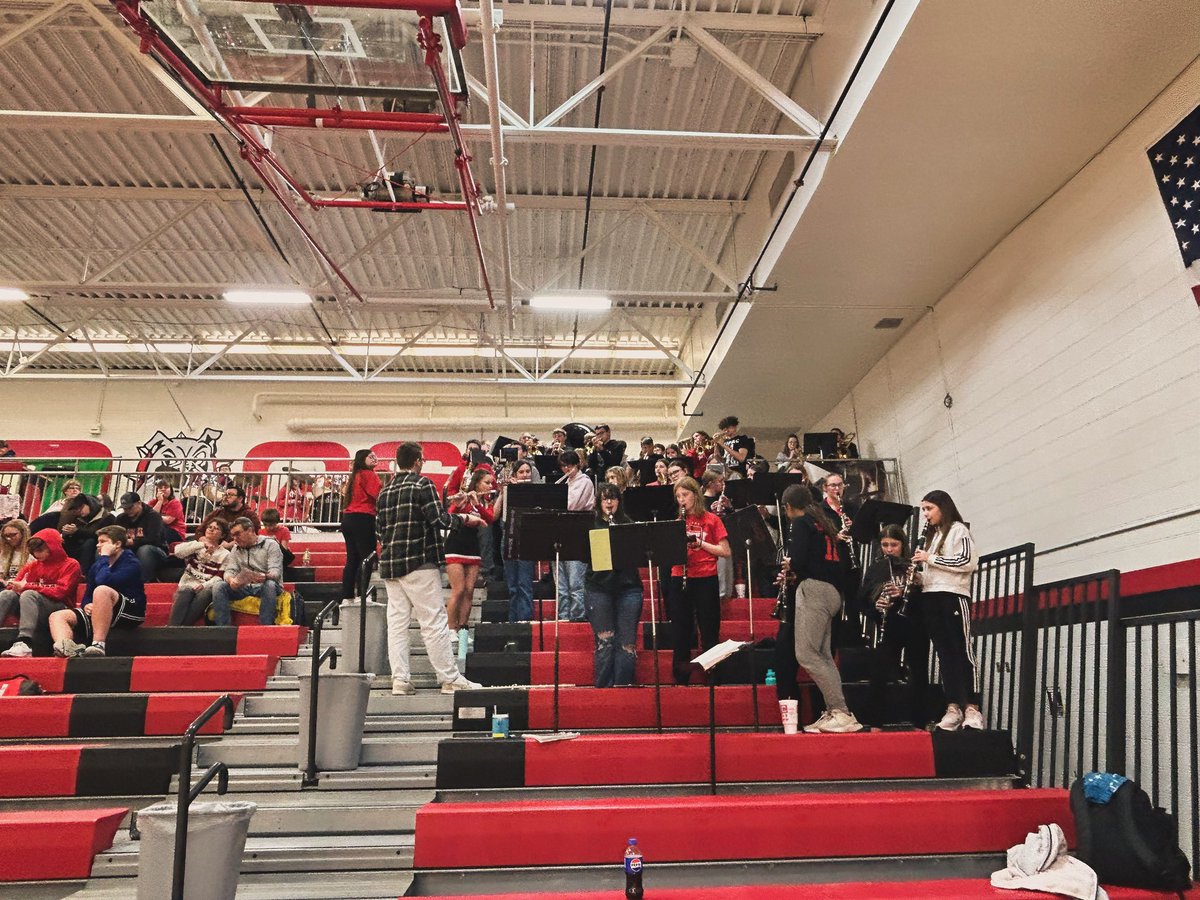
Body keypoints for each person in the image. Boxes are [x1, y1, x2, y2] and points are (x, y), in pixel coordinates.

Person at [376, 442, 483, 696]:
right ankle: (449, 678)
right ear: (418, 461)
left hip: (391, 565)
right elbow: (439, 520)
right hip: (419, 562)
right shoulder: (422, 484)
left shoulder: (385, 489)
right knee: (433, 622)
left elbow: (379, 530)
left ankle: (400, 679)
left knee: (398, 624)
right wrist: (466, 518)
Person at [776, 484, 862, 733]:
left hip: (814, 590)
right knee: (823, 655)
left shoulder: (801, 523)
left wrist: (789, 565)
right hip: (833, 592)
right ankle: (836, 710)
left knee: (806, 654)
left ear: (789, 507)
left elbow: (800, 560)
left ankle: (842, 713)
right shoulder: (824, 523)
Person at [913, 490, 981, 731]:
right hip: (931, 596)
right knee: (944, 655)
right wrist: (918, 578)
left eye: (929, 508)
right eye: (923, 509)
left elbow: (966, 561)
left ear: (943, 507)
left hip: (953, 595)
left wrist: (929, 558)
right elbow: (934, 570)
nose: (925, 514)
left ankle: (972, 707)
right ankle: (953, 706)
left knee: (962, 650)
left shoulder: (958, 530)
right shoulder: (934, 536)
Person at [857, 525, 930, 728]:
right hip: (889, 624)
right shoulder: (876, 568)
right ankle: (874, 722)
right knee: (880, 671)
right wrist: (876, 604)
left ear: (903, 545)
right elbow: (863, 599)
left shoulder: (913, 565)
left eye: (894, 545)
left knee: (918, 671)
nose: (889, 549)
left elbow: (928, 595)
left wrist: (907, 591)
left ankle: (919, 721)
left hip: (915, 622)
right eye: (885, 545)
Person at [668, 476, 730, 685]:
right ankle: (681, 677)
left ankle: (713, 674)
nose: (681, 500)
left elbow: (725, 551)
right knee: (681, 630)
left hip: (705, 577)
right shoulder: (677, 523)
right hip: (680, 576)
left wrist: (700, 543)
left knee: (709, 629)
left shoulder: (712, 519)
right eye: (678, 496)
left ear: (695, 495)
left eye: (685, 495)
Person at [47, 525, 144, 658]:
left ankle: (98, 644)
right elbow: (88, 593)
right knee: (57, 616)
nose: (98, 545)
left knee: (102, 590)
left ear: (117, 544)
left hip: (130, 612)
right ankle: (66, 647)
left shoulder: (131, 563)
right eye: (98, 542)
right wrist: (87, 605)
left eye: (103, 542)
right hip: (101, 611)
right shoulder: (98, 565)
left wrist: (104, 557)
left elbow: (106, 581)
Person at [584, 483, 643, 688]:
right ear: (599, 503)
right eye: (605, 499)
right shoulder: (591, 524)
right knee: (605, 642)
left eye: (613, 498)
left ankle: (623, 687)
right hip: (599, 587)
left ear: (619, 501)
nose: (609, 503)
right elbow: (593, 560)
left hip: (628, 588)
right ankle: (604, 691)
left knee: (627, 643)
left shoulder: (628, 524)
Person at [0, 529, 83, 657]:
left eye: (40, 550)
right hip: (32, 606)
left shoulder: (71, 564)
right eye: (33, 552)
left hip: (60, 607)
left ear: (53, 547)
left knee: (29, 593)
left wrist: (28, 586)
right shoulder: (33, 565)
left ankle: (24, 642)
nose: (36, 554)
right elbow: (16, 586)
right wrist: (14, 586)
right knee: (7, 594)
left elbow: (61, 592)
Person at [444, 468, 496, 633]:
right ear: (477, 483)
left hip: (473, 547)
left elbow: (489, 519)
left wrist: (477, 504)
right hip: (455, 545)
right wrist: (457, 504)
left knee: (469, 591)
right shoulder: (464, 497)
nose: (489, 486)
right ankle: (451, 629)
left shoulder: (485, 502)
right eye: (486, 483)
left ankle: (463, 629)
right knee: (458, 590)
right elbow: (449, 517)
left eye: (491, 483)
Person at [211, 518, 284, 626]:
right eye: (233, 536)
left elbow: (276, 572)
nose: (235, 539)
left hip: (265, 585)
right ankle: (223, 628)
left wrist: (264, 576)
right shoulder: (236, 549)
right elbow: (230, 570)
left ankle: (266, 626)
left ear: (250, 530)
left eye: (237, 534)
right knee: (219, 586)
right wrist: (231, 580)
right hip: (244, 586)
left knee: (270, 585)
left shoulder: (270, 545)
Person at [556, 450, 595, 623]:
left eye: (569, 466)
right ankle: (563, 617)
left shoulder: (584, 482)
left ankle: (577, 617)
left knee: (575, 583)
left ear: (576, 465)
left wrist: (555, 497)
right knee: (561, 585)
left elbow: (572, 505)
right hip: (561, 534)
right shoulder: (566, 482)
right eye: (563, 466)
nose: (566, 470)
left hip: (577, 535)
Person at [494, 460, 536, 622]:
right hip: (509, 537)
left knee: (524, 585)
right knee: (512, 586)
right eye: (521, 472)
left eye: (527, 471)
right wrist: (503, 493)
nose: (525, 475)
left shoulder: (535, 491)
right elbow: (495, 515)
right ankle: (513, 622)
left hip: (527, 538)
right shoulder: (508, 490)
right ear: (514, 475)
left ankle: (524, 621)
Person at [169, 519, 232, 626]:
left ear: (222, 535)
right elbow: (178, 552)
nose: (211, 530)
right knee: (186, 589)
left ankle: (172, 629)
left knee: (207, 592)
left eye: (216, 528)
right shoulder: (196, 545)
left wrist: (204, 585)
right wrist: (202, 544)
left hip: (204, 587)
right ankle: (176, 629)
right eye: (209, 527)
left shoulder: (225, 554)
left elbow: (219, 577)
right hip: (187, 585)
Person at [340, 449, 381, 600]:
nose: (374, 458)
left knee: (352, 559)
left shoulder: (354, 476)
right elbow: (378, 494)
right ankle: (362, 595)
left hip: (348, 518)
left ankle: (347, 596)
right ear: (362, 459)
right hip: (363, 518)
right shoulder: (368, 474)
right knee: (367, 558)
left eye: (375, 456)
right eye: (370, 456)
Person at [115, 492, 169, 582]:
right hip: (131, 550)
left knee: (144, 550)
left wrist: (132, 542)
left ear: (139, 503)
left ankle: (144, 583)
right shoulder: (121, 518)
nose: (127, 510)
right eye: (125, 508)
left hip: (157, 550)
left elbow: (153, 539)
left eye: (130, 507)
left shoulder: (153, 516)